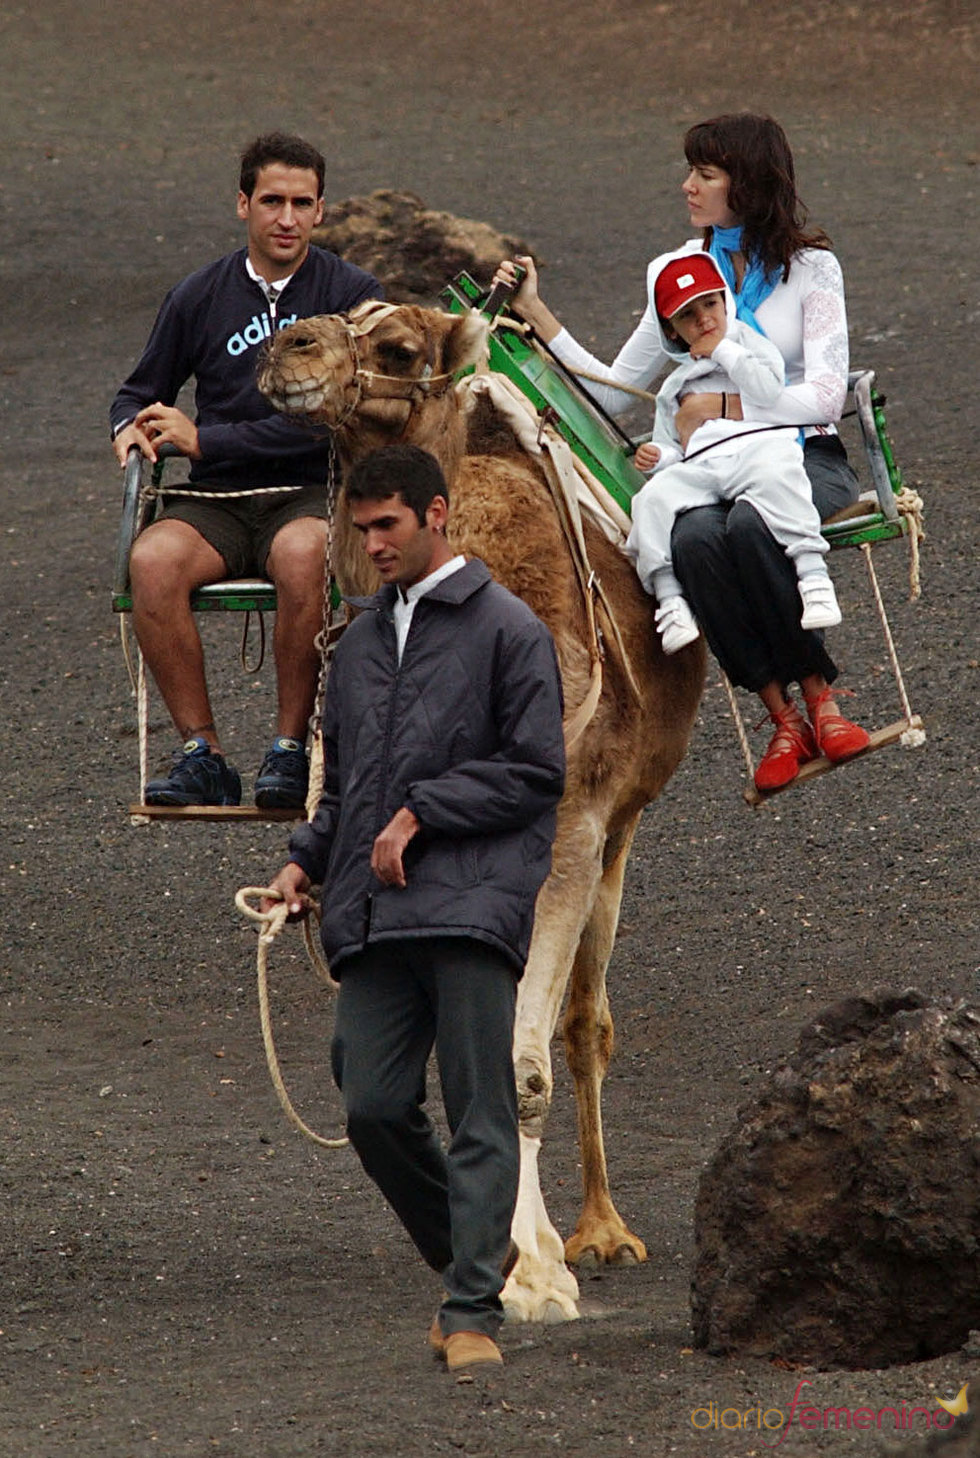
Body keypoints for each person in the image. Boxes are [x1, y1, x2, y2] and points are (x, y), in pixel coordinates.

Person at [264, 444, 566, 1372]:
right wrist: (304, 861)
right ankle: (475, 1250)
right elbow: (345, 784)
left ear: (437, 515)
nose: (372, 546)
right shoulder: (356, 642)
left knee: (480, 1109)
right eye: (361, 530)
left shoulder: (511, 631)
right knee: (371, 1101)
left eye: (387, 525)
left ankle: (470, 1309)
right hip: (372, 906)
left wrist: (423, 811)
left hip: (474, 900)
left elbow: (535, 772)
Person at [495, 112, 870, 793]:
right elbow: (611, 395)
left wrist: (721, 408)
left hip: (800, 456)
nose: (687, 186)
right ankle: (781, 714)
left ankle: (821, 698)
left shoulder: (815, 270)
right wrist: (537, 313)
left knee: (754, 527)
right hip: (705, 468)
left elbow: (821, 396)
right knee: (695, 539)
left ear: (748, 183)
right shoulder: (681, 275)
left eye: (705, 174)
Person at [110, 132, 382, 809]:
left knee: (305, 554)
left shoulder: (352, 295)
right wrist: (130, 429)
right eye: (271, 202)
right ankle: (202, 754)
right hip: (215, 503)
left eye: (301, 203)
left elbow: (332, 415)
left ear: (321, 211)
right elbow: (138, 389)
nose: (285, 218)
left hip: (309, 492)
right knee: (152, 561)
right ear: (243, 205)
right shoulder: (199, 294)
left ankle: (289, 752)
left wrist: (205, 440)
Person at [627, 250, 840, 655]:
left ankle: (813, 576)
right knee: (651, 501)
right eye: (688, 315)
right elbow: (673, 446)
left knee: (781, 474)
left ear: (725, 302)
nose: (704, 319)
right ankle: (671, 599)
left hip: (755, 449)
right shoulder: (674, 386)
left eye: (710, 304)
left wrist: (722, 351)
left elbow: (766, 390)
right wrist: (660, 457)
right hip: (703, 468)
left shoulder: (752, 347)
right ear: (672, 331)